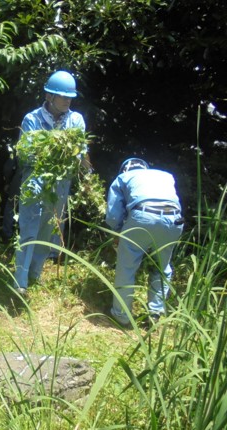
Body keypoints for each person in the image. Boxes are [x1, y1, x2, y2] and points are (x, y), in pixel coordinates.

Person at [13, 70, 91, 295]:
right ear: (49, 96)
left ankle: (34, 274)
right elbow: (26, 154)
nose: (68, 100)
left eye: (70, 97)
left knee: (48, 232)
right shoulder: (32, 119)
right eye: (62, 96)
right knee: (28, 229)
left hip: (60, 185)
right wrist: (56, 147)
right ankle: (20, 282)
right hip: (35, 182)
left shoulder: (76, 120)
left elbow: (80, 151)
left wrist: (87, 173)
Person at [106, 157, 184, 326]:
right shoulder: (166, 175)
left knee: (126, 268)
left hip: (143, 216)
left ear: (124, 170)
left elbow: (113, 215)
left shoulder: (123, 178)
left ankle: (121, 315)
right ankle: (155, 313)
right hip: (174, 220)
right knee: (162, 268)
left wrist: (118, 232)